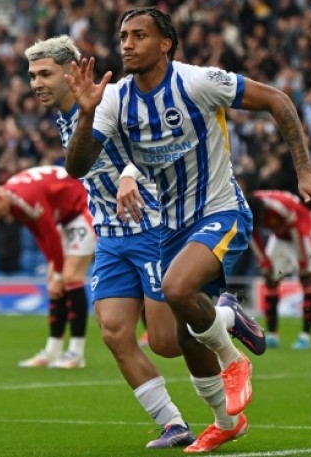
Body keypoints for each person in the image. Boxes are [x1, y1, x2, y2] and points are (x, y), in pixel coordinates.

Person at [64, 7, 311, 453]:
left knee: (177, 289)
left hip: (222, 210)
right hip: (170, 226)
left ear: (166, 43)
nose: (128, 44)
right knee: (178, 339)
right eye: (123, 36)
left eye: (139, 35)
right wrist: (85, 115)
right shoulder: (115, 99)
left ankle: (233, 362)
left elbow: (277, 99)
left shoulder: (198, 81)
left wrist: (304, 170)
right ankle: (224, 417)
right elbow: (77, 166)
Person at [23, 35, 198, 448]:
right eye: (32, 76)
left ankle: (223, 313)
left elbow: (160, 144)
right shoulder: (68, 118)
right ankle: (174, 423)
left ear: (72, 73)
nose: (36, 83)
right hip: (110, 236)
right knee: (116, 333)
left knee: (166, 343)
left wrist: (129, 175)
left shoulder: (114, 101)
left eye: (45, 74)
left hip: (152, 226)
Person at [0, 165, 92, 370]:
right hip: (65, 218)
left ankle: (76, 353)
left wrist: (59, 274)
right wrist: (53, 267)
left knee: (70, 278)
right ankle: (53, 351)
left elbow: (50, 233)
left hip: (82, 210)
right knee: (54, 280)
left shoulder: (23, 198)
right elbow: (39, 233)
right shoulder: (13, 198)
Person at [246, 190, 311, 350]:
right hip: (280, 237)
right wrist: (264, 262)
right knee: (271, 280)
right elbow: (251, 233)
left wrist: (302, 263)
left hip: (303, 234)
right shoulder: (245, 208)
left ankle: (305, 337)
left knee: (306, 279)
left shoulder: (279, 208)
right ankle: (273, 335)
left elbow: (297, 232)